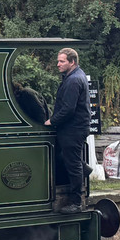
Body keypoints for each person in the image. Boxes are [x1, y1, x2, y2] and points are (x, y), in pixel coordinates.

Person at [45, 47, 90, 213]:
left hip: (73, 129)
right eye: (58, 61)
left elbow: (68, 109)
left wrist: (52, 121)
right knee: (69, 158)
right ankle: (85, 171)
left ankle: (76, 203)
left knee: (73, 163)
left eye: (62, 61)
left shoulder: (73, 80)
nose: (58, 64)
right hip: (74, 127)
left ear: (72, 62)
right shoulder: (74, 76)